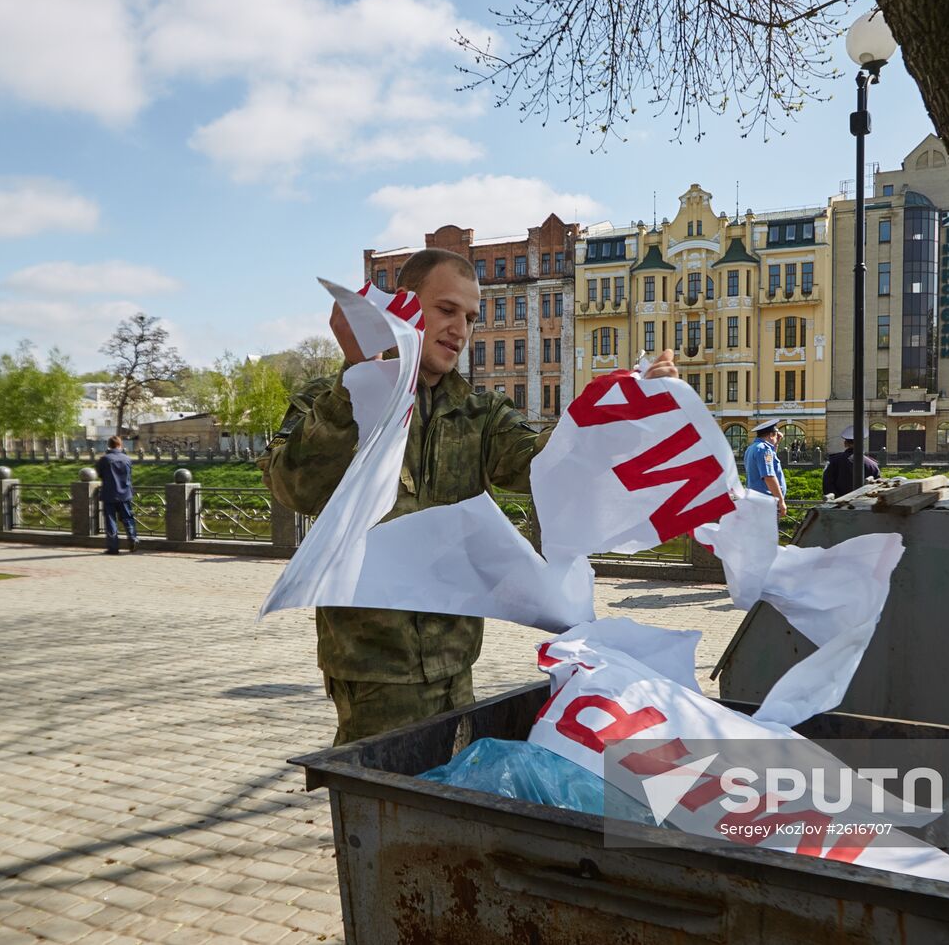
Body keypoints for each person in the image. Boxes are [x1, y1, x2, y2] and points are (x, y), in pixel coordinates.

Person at [260, 249, 678, 744]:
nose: (461, 329)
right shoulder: (333, 397)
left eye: (472, 317)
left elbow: (543, 466)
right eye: (446, 309)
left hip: (456, 660)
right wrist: (358, 379)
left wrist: (625, 413)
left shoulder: (480, 412)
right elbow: (295, 487)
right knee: (382, 796)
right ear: (402, 308)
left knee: (444, 798)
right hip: (373, 667)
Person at [95, 436, 137, 555]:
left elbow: (100, 474)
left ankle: (113, 547)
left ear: (109, 445)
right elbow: (129, 475)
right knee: (128, 518)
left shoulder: (104, 459)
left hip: (109, 493)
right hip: (125, 493)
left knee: (110, 520)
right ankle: (133, 538)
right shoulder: (127, 459)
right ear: (120, 445)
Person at [743, 419, 788, 517]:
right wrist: (780, 501)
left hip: (756, 501)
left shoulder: (752, 448)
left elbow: (767, 463)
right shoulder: (765, 450)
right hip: (766, 503)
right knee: (767, 532)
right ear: (771, 435)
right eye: (776, 436)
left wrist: (776, 444)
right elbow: (768, 476)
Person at [822, 424, 882, 498]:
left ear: (845, 443)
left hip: (839, 506)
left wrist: (840, 501)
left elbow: (827, 485)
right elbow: (877, 488)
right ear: (862, 443)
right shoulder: (872, 464)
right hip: (863, 506)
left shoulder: (834, 461)